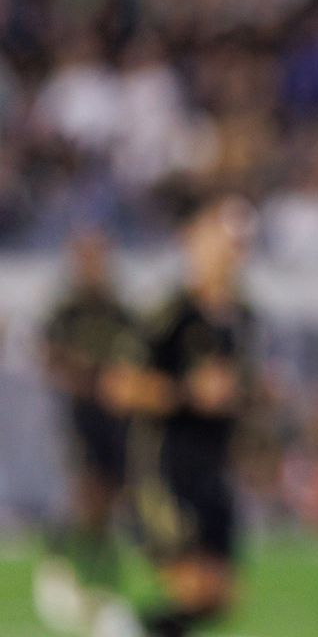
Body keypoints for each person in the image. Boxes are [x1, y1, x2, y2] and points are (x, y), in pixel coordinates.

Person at [104, 191, 259, 636]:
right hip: (167, 465)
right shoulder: (170, 313)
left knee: (222, 596)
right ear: (195, 241)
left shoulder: (243, 317)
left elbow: (236, 393)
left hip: (214, 469)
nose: (232, 251)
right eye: (223, 238)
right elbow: (120, 385)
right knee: (195, 585)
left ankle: (126, 627)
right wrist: (188, 393)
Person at [36, 228, 143, 634]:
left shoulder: (119, 311)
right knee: (91, 491)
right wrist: (85, 377)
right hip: (83, 414)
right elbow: (50, 358)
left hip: (117, 416)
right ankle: (60, 558)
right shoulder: (69, 311)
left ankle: (99, 575)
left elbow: (135, 355)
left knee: (113, 495)